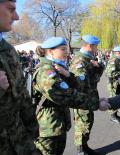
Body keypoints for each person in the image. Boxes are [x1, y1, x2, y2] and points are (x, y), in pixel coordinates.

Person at [33, 37, 100, 155]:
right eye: (63, 49)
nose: (67, 53)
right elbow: (65, 95)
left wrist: (69, 75)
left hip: (57, 123)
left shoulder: (57, 68)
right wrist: (97, 103)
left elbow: (77, 86)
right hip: (48, 127)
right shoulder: (46, 72)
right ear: (51, 51)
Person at [0, 0, 41, 154]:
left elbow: (21, 95)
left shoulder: (8, 49)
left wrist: (32, 128)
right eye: (11, 9)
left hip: (21, 142)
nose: (16, 17)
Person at [69, 35, 103, 155]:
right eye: (96, 46)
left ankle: (84, 145)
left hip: (89, 99)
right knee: (83, 124)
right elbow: (80, 85)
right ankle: (81, 149)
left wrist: (98, 67)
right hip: (83, 100)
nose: (96, 49)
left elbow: (94, 79)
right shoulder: (80, 60)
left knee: (88, 122)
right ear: (90, 46)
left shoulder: (87, 59)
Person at [105, 46, 120, 124]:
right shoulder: (113, 60)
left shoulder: (119, 59)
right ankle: (113, 116)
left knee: (118, 98)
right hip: (113, 84)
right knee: (113, 100)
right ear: (118, 52)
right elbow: (109, 73)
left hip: (118, 83)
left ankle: (119, 109)